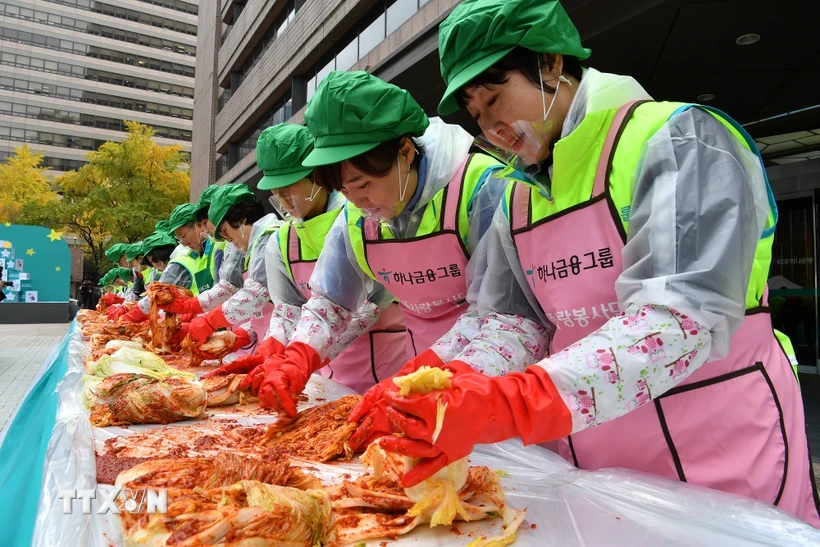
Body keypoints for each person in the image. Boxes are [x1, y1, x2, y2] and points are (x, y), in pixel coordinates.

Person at [357, 0, 820, 526]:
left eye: (496, 97)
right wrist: (443, 377)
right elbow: (514, 321)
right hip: (588, 454)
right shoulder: (517, 195)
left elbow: (679, 320)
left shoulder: (680, 139)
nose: (493, 126)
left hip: (714, 451)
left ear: (552, 64)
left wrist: (510, 403)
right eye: (477, 113)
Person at [241, 71, 509, 417]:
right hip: (421, 382)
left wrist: (421, 373)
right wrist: (298, 355)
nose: (358, 202)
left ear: (405, 151)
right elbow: (330, 304)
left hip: (494, 373)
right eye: (346, 191)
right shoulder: (355, 216)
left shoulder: (481, 189)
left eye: (364, 184)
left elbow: (501, 313)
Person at [207, 124, 408, 395]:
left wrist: (304, 354)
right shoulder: (283, 241)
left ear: (316, 175)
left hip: (386, 370)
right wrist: (274, 348)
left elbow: (374, 303)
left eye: (289, 186)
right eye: (276, 193)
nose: (284, 200)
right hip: (323, 380)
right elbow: (287, 310)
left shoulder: (364, 218)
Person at [178, 184, 279, 357]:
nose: (227, 239)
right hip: (268, 341)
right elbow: (270, 311)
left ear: (242, 218)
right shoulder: (250, 246)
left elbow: (255, 295)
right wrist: (241, 335)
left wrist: (207, 318)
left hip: (294, 348)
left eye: (224, 231)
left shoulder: (269, 237)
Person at [120, 202, 220, 323]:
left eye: (183, 236)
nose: (183, 243)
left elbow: (225, 292)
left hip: (222, 320)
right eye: (179, 239)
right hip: (207, 319)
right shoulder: (196, 255)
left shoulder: (216, 249)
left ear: (198, 225)